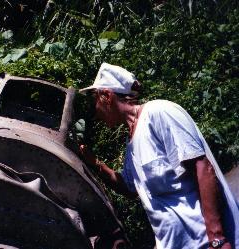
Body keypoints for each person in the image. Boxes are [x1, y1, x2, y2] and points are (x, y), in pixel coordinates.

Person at [78, 63, 239, 249]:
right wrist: (94, 163)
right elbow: (130, 188)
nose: (95, 112)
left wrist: (217, 238)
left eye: (95, 101)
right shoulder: (131, 142)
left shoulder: (158, 113)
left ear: (107, 96)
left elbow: (203, 169)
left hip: (205, 242)